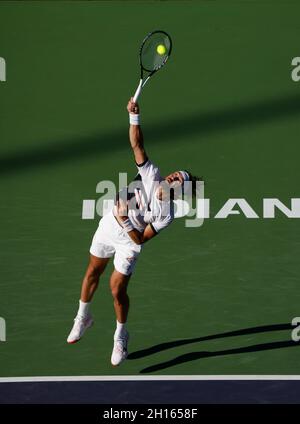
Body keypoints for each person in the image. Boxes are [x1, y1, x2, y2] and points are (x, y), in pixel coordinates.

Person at [67, 98, 200, 366]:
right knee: (93, 270)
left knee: (116, 289)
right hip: (108, 226)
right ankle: (83, 317)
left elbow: (139, 239)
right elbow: (137, 143)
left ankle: (120, 335)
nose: (173, 177)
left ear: (179, 192)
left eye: (179, 180)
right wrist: (134, 117)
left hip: (129, 241)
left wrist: (126, 220)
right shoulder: (151, 173)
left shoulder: (166, 215)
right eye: (175, 174)